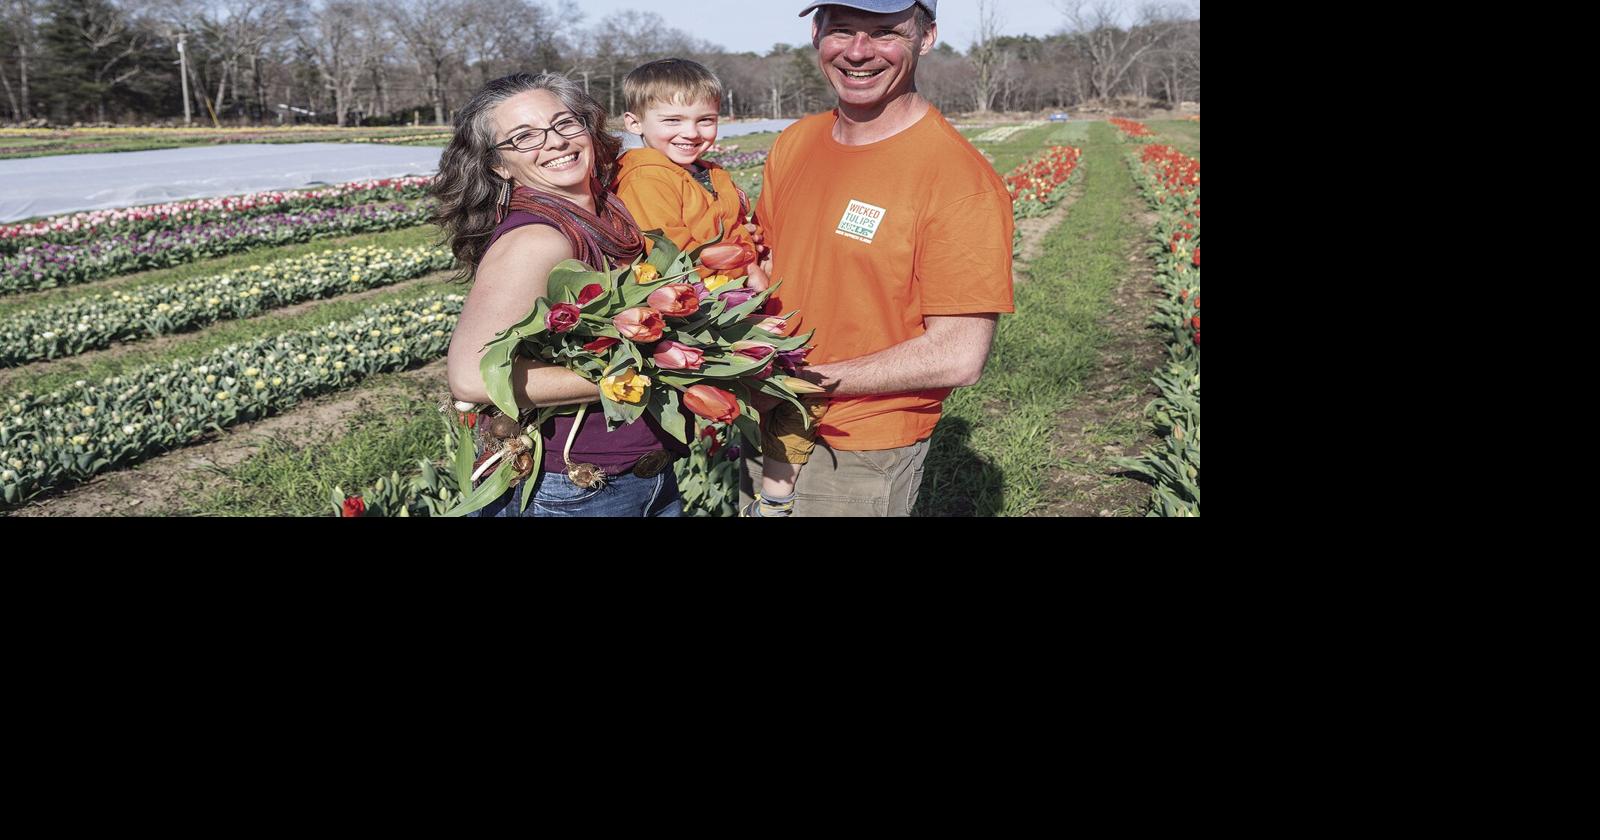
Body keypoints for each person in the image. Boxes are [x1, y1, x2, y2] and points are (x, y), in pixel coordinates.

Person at [741, 0, 1016, 517]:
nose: (859, 52)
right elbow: (772, 268)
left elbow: (958, 354)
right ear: (816, 35)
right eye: (842, 29)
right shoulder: (796, 141)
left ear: (926, 37)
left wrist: (798, 383)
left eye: (885, 32)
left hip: (858, 447)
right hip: (765, 423)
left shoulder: (958, 181)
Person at [434, 72, 683, 517]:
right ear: (497, 164)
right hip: (574, 489)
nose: (554, 142)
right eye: (524, 137)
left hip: (637, 478)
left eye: (565, 124)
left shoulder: (613, 211)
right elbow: (471, 378)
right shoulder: (539, 240)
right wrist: (641, 375)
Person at [608, 58, 813, 517]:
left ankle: (775, 488)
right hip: (695, 307)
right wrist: (747, 267)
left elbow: (735, 224)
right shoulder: (645, 176)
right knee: (781, 391)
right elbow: (672, 250)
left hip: (731, 293)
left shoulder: (710, 172)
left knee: (783, 392)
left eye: (705, 119)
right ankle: (777, 495)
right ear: (634, 122)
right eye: (673, 120)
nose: (692, 132)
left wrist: (751, 246)